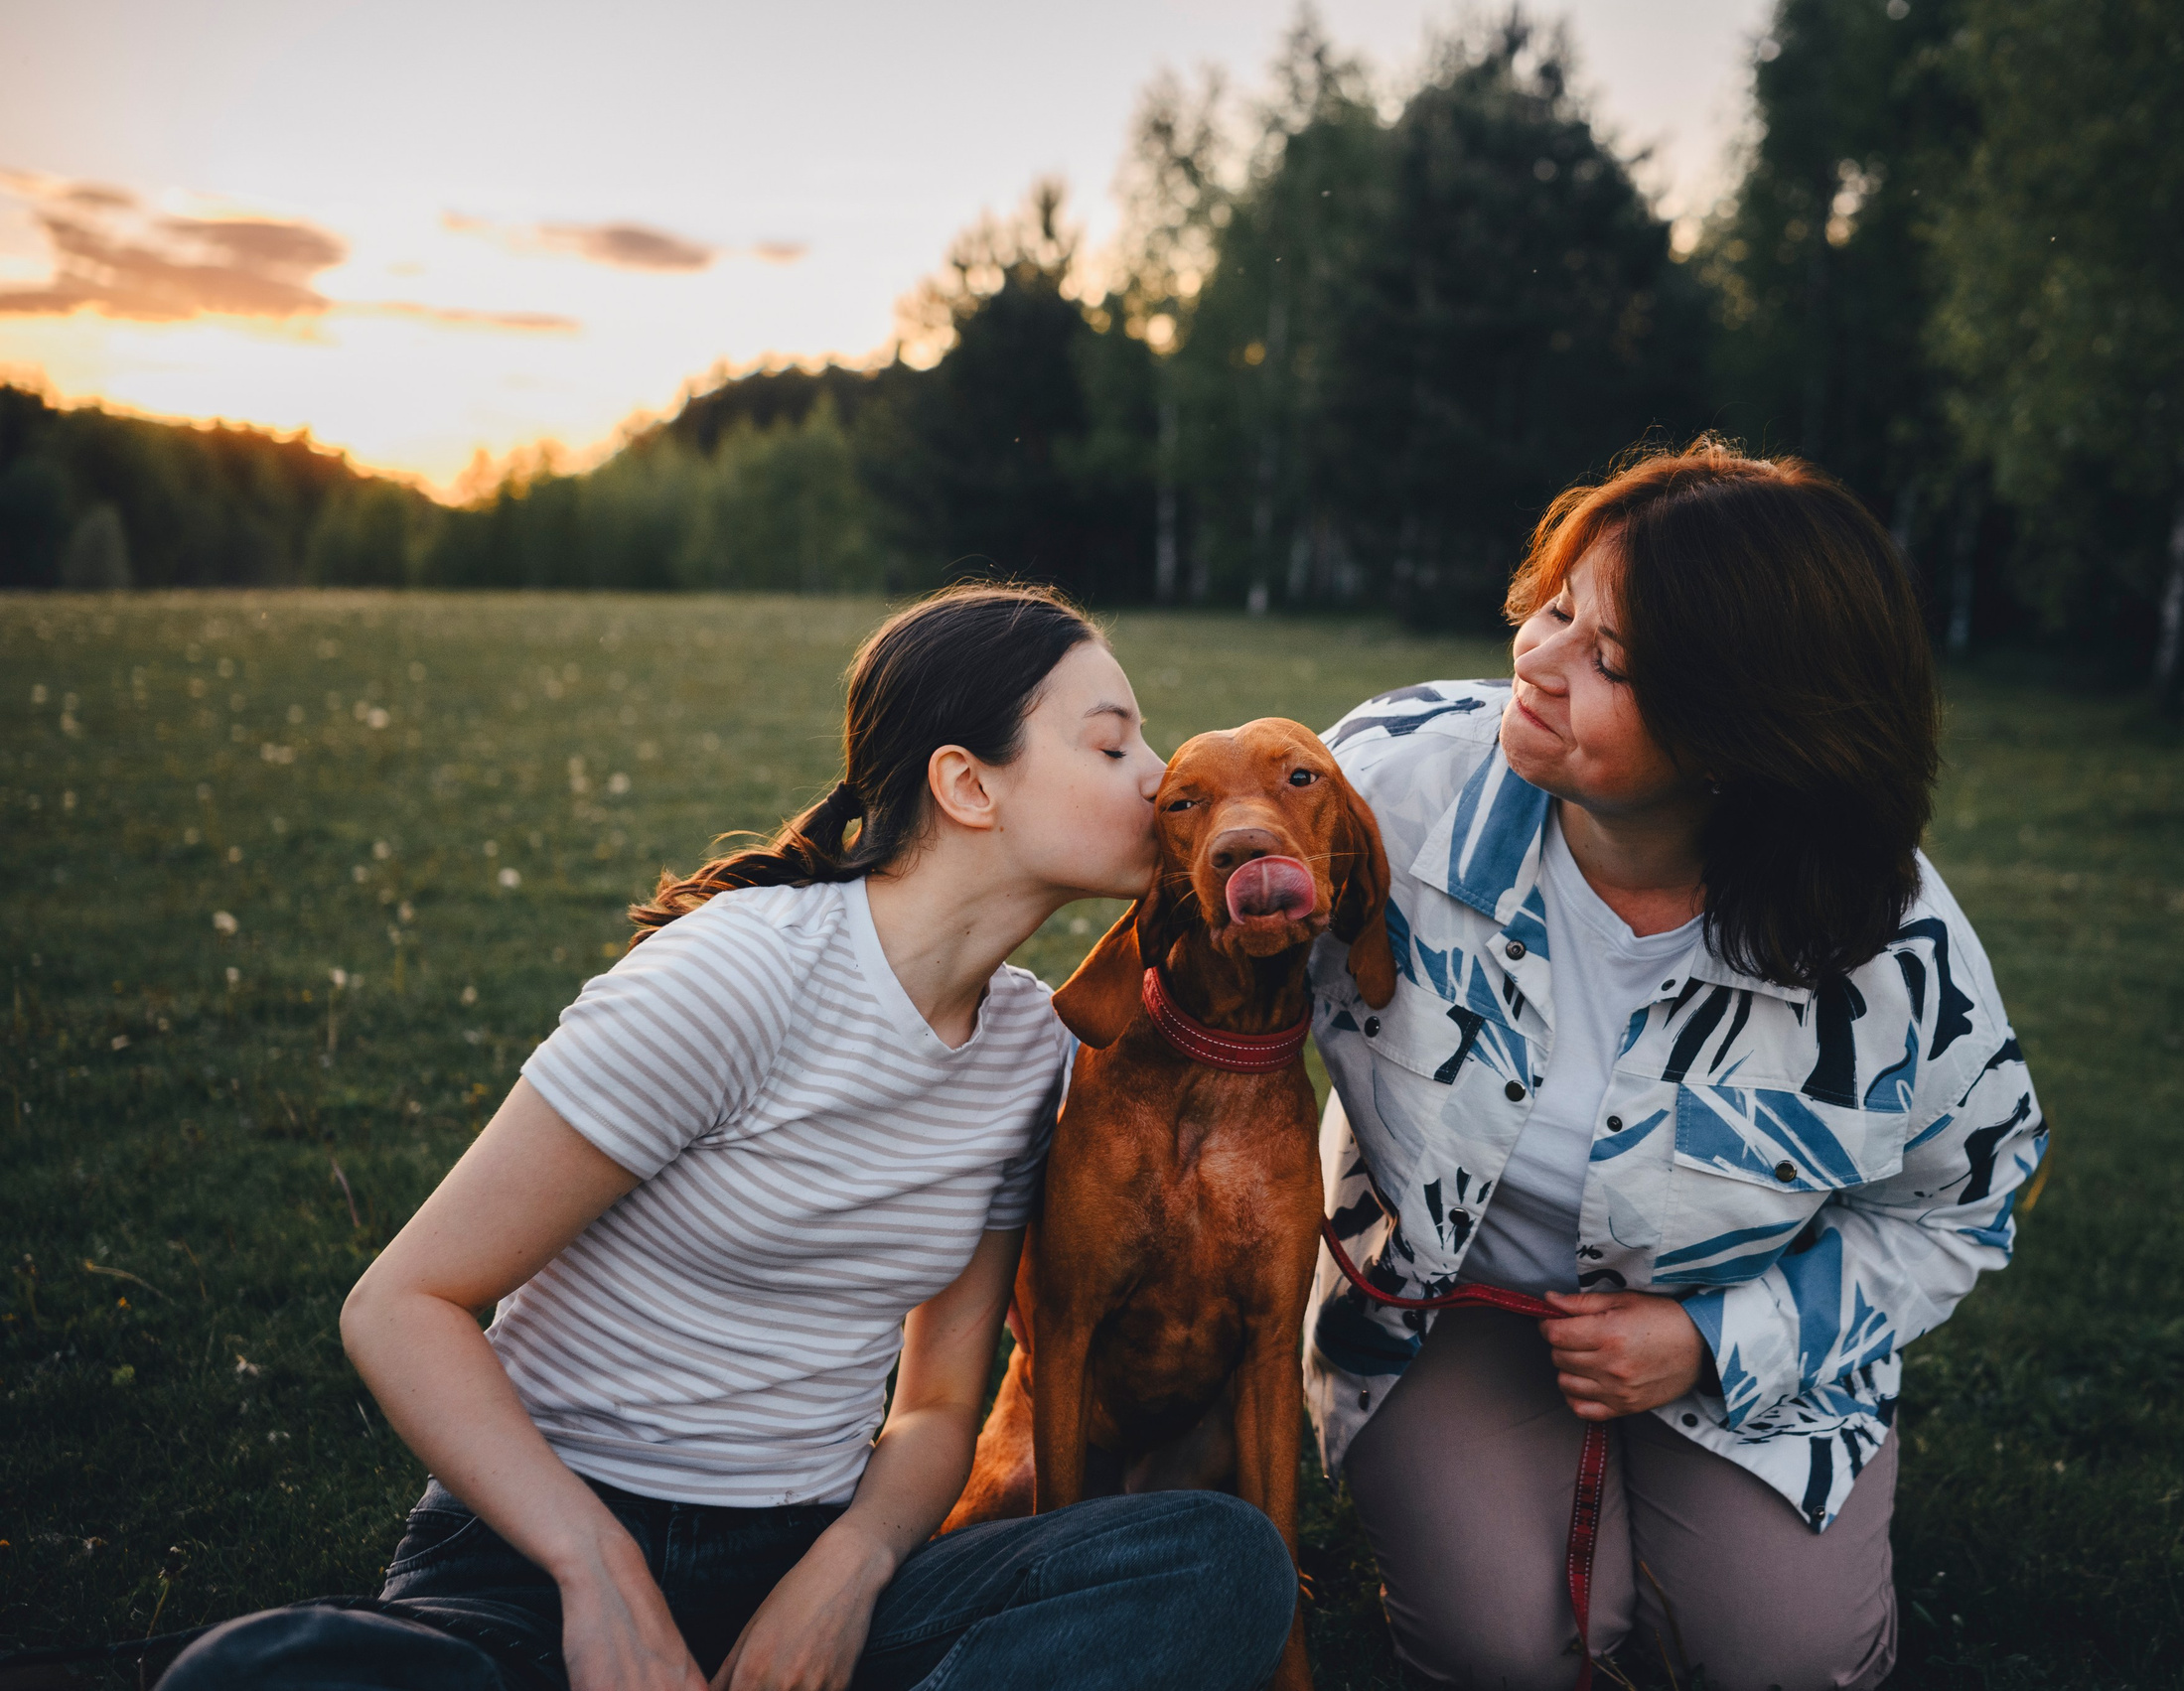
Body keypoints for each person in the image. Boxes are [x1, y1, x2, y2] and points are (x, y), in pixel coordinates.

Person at [162, 585, 1297, 1691]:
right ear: (966, 783)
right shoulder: (736, 976)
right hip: (540, 1554)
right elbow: (399, 1304)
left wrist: (847, 1566)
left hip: (805, 1550)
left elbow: (939, 1405)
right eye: (1113, 746)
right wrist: (596, 1571)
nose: (1161, 779)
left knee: (1224, 1565)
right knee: (250, 1672)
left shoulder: (1022, 1046)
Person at [1302, 442, 2044, 1691]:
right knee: (1509, 1650)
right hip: (1450, 1306)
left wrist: (1713, 1336)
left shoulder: (1887, 943)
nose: (1535, 662)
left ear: (1747, 736)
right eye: (1555, 607)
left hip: (1743, 1321)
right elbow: (1205, 966)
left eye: (1613, 662)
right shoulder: (1385, 787)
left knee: (1784, 1661)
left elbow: (1958, 1203)